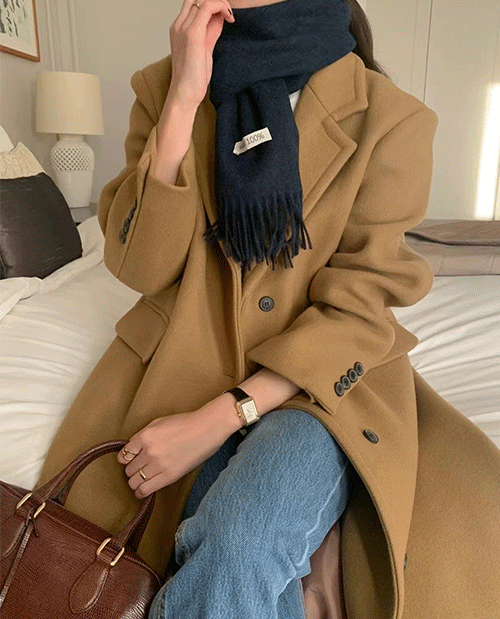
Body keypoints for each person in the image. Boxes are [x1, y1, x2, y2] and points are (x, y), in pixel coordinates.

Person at [32, 0, 500, 618]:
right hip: (185, 369)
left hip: (322, 388)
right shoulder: (164, 87)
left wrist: (218, 420)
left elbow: (359, 305)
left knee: (241, 541)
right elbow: (140, 266)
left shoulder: (392, 118)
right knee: (242, 565)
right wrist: (184, 97)